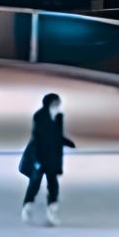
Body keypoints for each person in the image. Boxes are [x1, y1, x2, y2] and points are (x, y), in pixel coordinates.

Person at [19, 93, 74, 225]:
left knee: (53, 185)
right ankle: (27, 206)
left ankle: (52, 211)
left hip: (53, 157)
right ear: (48, 104)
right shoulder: (39, 116)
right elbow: (37, 138)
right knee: (35, 183)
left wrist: (67, 142)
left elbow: (57, 136)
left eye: (58, 104)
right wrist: (37, 159)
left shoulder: (59, 117)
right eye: (55, 104)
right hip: (40, 155)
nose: (57, 107)